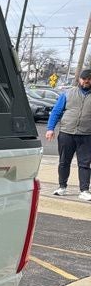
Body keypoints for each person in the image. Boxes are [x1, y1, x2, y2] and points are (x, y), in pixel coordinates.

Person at [46, 69, 91, 201]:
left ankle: (84, 190)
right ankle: (62, 187)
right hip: (67, 133)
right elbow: (56, 112)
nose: (86, 81)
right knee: (64, 161)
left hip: (87, 135)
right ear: (79, 80)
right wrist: (50, 128)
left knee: (85, 164)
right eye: (84, 78)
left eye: (89, 79)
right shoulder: (68, 93)